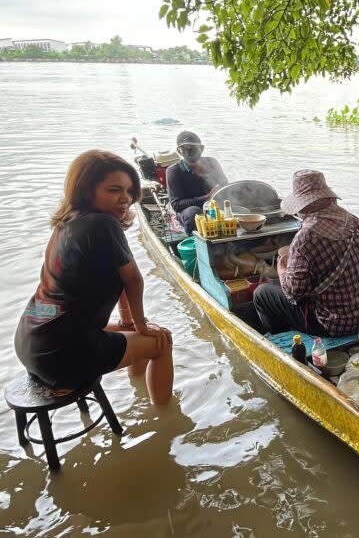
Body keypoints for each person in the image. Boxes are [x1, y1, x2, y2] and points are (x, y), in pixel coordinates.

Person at [14, 150, 174, 405]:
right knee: (162, 340)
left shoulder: (66, 221)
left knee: (138, 332)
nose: (126, 199)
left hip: (32, 342)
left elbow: (120, 278)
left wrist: (129, 321)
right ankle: (165, 419)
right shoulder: (103, 225)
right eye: (114, 190)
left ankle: (139, 391)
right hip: (62, 355)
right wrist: (141, 325)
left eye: (129, 190)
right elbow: (134, 280)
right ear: (86, 189)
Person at [253, 169, 359, 337]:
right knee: (275, 284)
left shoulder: (306, 237)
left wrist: (282, 266)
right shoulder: (352, 220)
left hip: (332, 324)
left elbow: (292, 292)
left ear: (302, 205)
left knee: (261, 293)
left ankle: (282, 337)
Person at [166, 131, 228, 234]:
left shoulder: (212, 162)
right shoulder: (174, 171)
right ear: (178, 151)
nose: (189, 152)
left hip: (214, 205)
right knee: (194, 212)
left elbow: (225, 186)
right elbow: (176, 205)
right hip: (188, 210)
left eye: (193, 148)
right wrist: (207, 197)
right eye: (185, 148)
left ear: (202, 148)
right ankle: (196, 240)